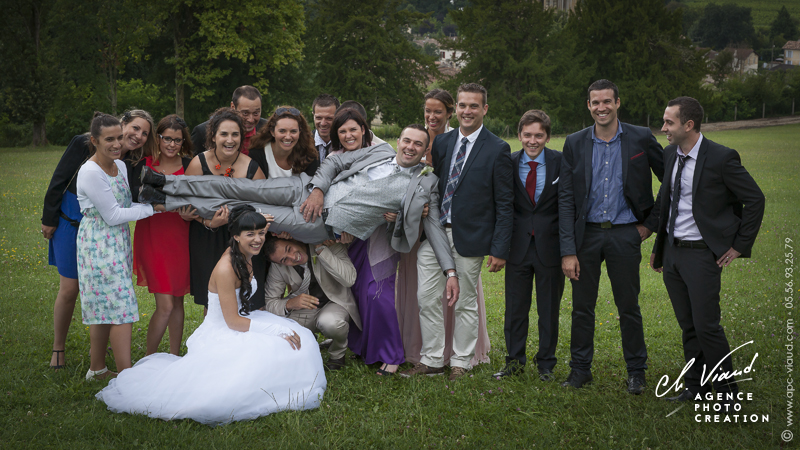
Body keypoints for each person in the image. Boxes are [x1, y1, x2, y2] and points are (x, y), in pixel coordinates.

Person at [139, 126, 461, 374]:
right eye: (407, 140)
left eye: (418, 144)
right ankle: (162, 182)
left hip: (317, 222)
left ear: (424, 150)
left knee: (242, 205)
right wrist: (318, 188)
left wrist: (449, 271)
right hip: (304, 189)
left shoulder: (425, 183)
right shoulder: (378, 152)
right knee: (236, 185)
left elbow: (431, 228)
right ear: (399, 139)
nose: (410, 147)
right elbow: (334, 162)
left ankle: (164, 200)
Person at [96, 206, 326, 425]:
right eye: (250, 234)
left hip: (246, 317)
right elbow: (233, 322)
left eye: (260, 233)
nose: (257, 239)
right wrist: (276, 329)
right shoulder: (226, 268)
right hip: (227, 328)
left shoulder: (246, 250)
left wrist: (258, 222)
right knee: (274, 346)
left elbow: (254, 233)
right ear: (235, 236)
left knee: (301, 337)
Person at [650, 97, 765, 404]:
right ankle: (695, 388)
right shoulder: (669, 154)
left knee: (706, 327)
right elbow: (665, 202)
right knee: (688, 326)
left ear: (689, 125)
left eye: (669, 123)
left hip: (702, 255)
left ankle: (728, 396)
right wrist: (659, 248)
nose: (663, 128)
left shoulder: (721, 157)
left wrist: (740, 245)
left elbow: (755, 199)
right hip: (673, 253)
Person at [401, 83, 514, 381]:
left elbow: (505, 204)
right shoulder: (442, 143)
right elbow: (433, 185)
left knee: (464, 302)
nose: (467, 111)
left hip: (471, 238)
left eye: (473, 106)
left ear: (484, 109)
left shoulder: (498, 148)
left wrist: (500, 249)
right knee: (426, 297)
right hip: (435, 234)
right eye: (463, 105)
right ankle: (433, 358)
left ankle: (461, 362)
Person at [558, 79, 664, 393]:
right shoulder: (575, 142)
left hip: (625, 235)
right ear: (588, 106)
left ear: (617, 102)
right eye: (595, 103)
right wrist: (567, 250)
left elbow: (670, 181)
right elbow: (565, 198)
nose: (601, 108)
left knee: (628, 306)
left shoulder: (641, 138)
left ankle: (636, 372)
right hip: (586, 237)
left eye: (607, 101)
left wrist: (649, 226)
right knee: (582, 307)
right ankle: (580, 370)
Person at [76, 112, 160, 380]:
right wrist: (152, 209)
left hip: (118, 243)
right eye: (108, 139)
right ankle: (127, 376)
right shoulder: (90, 172)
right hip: (97, 245)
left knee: (104, 308)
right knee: (122, 309)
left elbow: (125, 207)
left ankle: (97, 369)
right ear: (94, 140)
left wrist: (154, 207)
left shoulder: (120, 166)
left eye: (119, 138)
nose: (116, 144)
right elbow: (112, 216)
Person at [493, 110, 565, 381]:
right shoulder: (508, 163)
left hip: (550, 247)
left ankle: (546, 364)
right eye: (527, 135)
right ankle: (514, 361)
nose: (532, 140)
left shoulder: (560, 162)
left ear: (547, 136)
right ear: (519, 134)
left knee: (548, 309)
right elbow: (501, 206)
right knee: (515, 308)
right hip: (517, 246)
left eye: (538, 135)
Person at [183, 108, 266, 314]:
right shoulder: (198, 163)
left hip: (242, 240)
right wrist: (209, 223)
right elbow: (185, 205)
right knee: (213, 302)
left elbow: (264, 204)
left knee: (247, 297)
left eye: (235, 134)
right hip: (207, 237)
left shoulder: (252, 168)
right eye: (224, 134)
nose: (230, 140)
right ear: (213, 136)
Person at [130, 115, 194, 356]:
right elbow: (135, 198)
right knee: (165, 305)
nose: (171, 144)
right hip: (154, 237)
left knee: (178, 300)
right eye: (167, 138)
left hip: (181, 237)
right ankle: (149, 359)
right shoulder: (143, 164)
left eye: (177, 140)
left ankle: (175, 357)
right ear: (158, 138)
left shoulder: (190, 166)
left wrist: (192, 214)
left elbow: (198, 199)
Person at [263, 237, 360, 371]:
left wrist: (322, 251)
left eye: (289, 249)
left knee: (330, 323)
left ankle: (337, 356)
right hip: (304, 309)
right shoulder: (277, 267)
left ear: (293, 239)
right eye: (284, 260)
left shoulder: (328, 244)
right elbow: (270, 303)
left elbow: (349, 279)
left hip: (334, 303)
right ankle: (308, 343)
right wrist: (290, 303)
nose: (293, 257)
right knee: (278, 327)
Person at [190, 86, 267, 156]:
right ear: (233, 107)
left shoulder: (267, 130)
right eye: (245, 113)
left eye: (256, 113)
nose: (251, 119)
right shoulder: (202, 132)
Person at [247, 106, 320, 178]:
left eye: (293, 131)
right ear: (272, 131)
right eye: (282, 131)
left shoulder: (309, 155)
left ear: (300, 132)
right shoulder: (257, 154)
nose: (288, 137)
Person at [118, 109, 158, 181]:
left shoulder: (136, 164)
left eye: (144, 134)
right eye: (135, 128)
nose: (139, 136)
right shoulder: (95, 148)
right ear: (123, 124)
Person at [312, 94, 340, 162]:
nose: (323, 123)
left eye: (329, 118)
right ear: (313, 116)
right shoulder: (302, 142)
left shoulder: (345, 143)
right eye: (318, 118)